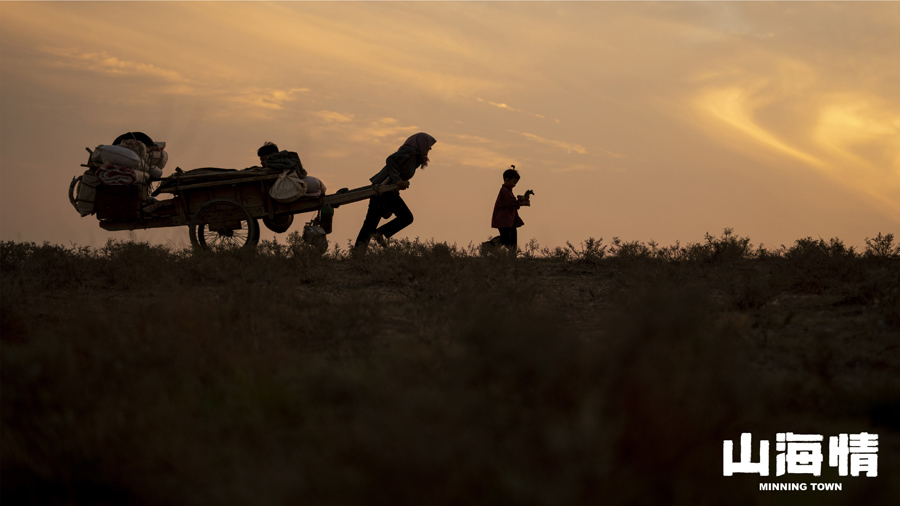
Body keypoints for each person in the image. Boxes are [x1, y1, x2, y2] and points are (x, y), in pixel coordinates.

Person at [354, 132, 437, 249]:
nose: (430, 147)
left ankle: (375, 237)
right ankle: (358, 254)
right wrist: (398, 180)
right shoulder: (411, 151)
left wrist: (397, 184)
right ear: (422, 143)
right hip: (381, 189)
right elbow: (390, 160)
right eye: (429, 144)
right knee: (372, 223)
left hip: (390, 192)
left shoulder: (417, 158)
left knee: (401, 218)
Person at [491, 167, 529, 251]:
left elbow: (512, 202)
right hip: (504, 220)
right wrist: (523, 203)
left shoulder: (508, 191)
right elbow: (511, 203)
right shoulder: (504, 191)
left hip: (510, 220)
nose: (514, 185)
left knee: (512, 240)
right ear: (507, 180)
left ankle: (512, 257)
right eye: (514, 182)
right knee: (505, 239)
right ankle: (488, 246)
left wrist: (520, 199)